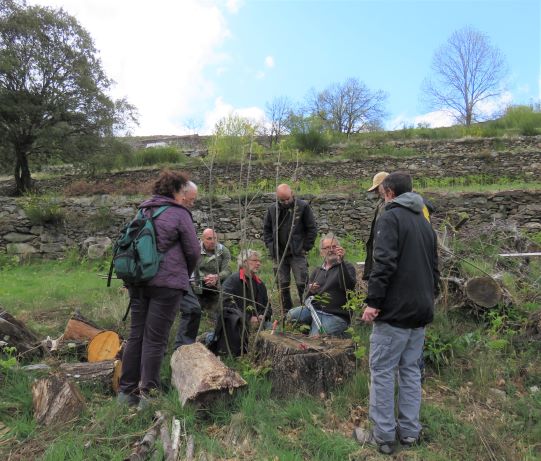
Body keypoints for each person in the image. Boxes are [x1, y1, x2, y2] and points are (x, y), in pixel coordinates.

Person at [360, 172, 440, 455]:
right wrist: (432, 297)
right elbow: (434, 267)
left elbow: (383, 263)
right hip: (420, 310)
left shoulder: (390, 218)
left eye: (381, 191)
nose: (380, 195)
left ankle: (382, 436)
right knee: (409, 372)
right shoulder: (424, 222)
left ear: (390, 192)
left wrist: (373, 302)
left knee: (382, 371)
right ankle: (409, 432)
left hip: (394, 311)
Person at [117, 171, 200, 407]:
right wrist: (184, 273)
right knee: (155, 340)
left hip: (138, 281)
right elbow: (194, 251)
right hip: (167, 284)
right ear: (179, 191)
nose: (189, 201)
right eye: (188, 196)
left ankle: (125, 394)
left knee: (136, 336)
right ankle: (148, 395)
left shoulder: (143, 210)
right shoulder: (179, 213)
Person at [287, 234, 356, 337]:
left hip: (335, 315)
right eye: (327, 247)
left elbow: (348, 286)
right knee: (291, 316)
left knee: (316, 339)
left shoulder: (347, 267)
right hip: (314, 311)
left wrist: (341, 262)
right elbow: (306, 299)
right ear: (322, 253)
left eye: (334, 247)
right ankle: (309, 332)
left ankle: (340, 334)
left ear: (339, 249)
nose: (331, 250)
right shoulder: (317, 271)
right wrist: (311, 290)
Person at [173, 228, 232, 349]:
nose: (212, 241)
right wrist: (202, 278)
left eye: (215, 238)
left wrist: (216, 277)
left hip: (215, 286)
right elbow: (189, 267)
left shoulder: (223, 251)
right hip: (196, 285)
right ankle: (186, 343)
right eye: (209, 239)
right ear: (202, 239)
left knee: (220, 312)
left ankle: (216, 340)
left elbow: (228, 270)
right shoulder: (194, 250)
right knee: (193, 312)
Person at [263, 183, 317, 312]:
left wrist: (305, 247)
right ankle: (286, 313)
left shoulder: (303, 207)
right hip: (279, 253)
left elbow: (312, 228)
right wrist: (271, 246)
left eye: (288, 199)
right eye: (282, 200)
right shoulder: (272, 209)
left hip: (297, 253)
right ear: (277, 198)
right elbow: (267, 230)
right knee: (282, 285)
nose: (286, 202)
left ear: (292, 194)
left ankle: (307, 311)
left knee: (302, 283)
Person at [209, 249, 272, 356]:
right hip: (237, 323)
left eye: (259, 261)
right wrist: (247, 317)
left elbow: (267, 307)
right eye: (254, 260)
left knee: (271, 330)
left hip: (257, 323)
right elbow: (225, 304)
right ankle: (210, 338)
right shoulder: (232, 281)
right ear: (244, 262)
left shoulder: (260, 284)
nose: (258, 263)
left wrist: (262, 316)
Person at [363, 172, 389, 281]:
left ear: (386, 185)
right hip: (378, 257)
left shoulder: (393, 205)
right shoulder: (381, 204)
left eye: (378, 188)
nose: (377, 192)